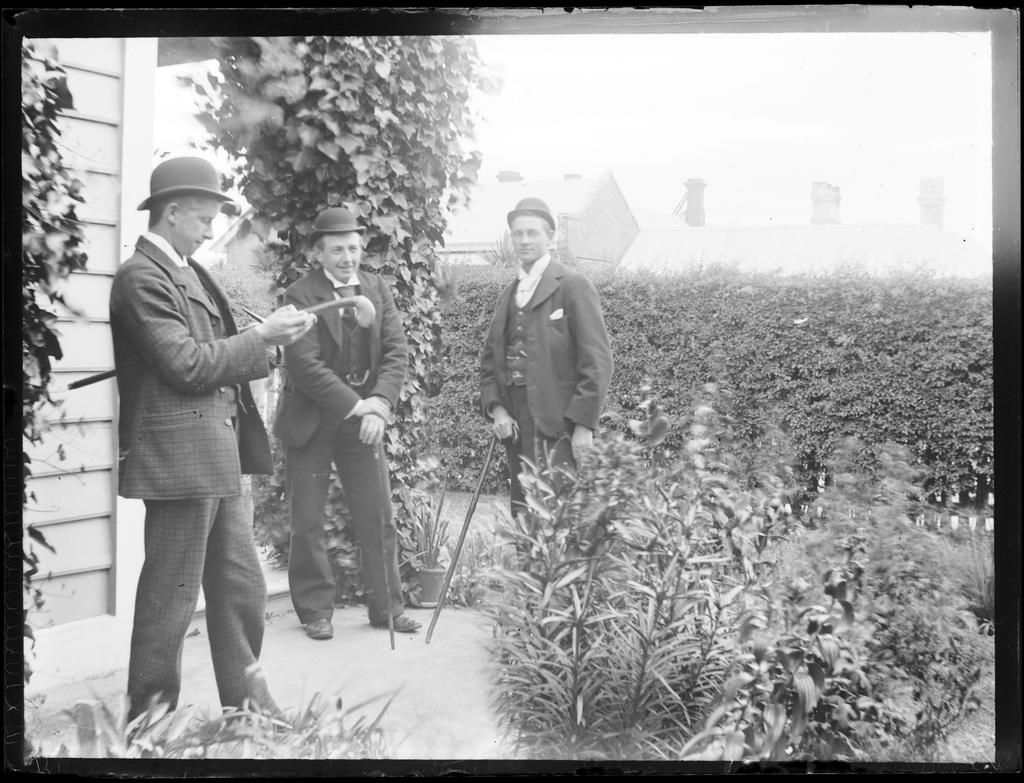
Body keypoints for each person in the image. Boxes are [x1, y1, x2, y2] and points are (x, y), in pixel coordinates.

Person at [110, 156, 316, 720]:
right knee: (169, 602)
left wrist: (271, 339)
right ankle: (149, 725)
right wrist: (258, 337)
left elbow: (215, 351)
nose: (209, 229)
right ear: (171, 213)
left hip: (213, 454)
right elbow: (186, 365)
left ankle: (250, 709)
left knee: (241, 590)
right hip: (178, 460)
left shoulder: (187, 269)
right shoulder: (139, 277)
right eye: (203, 218)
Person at [274, 206, 419, 640]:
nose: (347, 257)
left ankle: (387, 609)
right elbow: (305, 366)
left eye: (353, 248)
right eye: (337, 249)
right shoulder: (300, 295)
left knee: (378, 514)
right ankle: (316, 612)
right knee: (308, 519)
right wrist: (360, 408)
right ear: (318, 253)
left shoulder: (377, 290)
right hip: (311, 418)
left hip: (365, 417)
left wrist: (379, 403)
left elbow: (396, 353)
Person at [480, 197, 614, 517]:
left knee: (562, 520)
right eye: (517, 234)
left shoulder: (573, 286)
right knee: (525, 517)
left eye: (532, 233)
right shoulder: (509, 294)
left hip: (561, 428)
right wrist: (497, 409)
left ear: (550, 236)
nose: (524, 240)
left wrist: (584, 425)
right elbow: (489, 362)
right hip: (517, 428)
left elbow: (597, 361)